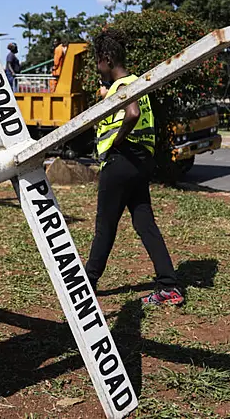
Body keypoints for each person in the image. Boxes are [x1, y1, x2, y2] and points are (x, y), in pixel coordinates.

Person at [84, 28, 183, 306]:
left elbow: (132, 114)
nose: (97, 68)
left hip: (121, 159)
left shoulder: (123, 86)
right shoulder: (140, 83)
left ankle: (87, 283)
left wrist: (116, 141)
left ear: (106, 59)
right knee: (144, 223)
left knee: (105, 226)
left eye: (97, 62)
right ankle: (169, 285)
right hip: (141, 162)